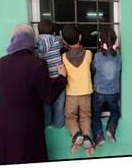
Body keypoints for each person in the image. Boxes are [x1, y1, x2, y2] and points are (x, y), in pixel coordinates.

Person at [0, 23, 67, 165]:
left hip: (3, 124)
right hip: (27, 126)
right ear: (31, 41)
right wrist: (62, 78)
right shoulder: (37, 64)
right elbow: (49, 96)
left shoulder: (1, 63)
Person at [61, 25, 94, 156]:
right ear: (80, 37)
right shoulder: (88, 54)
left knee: (70, 118)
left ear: (64, 42)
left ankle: (76, 134)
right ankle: (86, 136)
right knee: (86, 117)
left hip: (71, 95)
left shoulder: (63, 57)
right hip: (86, 93)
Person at [91, 27, 122, 148]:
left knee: (96, 114)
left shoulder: (98, 56)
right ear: (115, 41)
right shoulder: (118, 57)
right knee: (115, 112)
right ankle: (111, 127)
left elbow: (93, 69)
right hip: (114, 93)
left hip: (99, 93)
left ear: (100, 41)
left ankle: (98, 136)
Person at [36, 20, 65, 128]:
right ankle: (59, 123)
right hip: (58, 76)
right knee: (59, 103)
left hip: (45, 78)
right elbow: (63, 42)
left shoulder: (37, 42)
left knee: (46, 102)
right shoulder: (55, 40)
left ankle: (47, 123)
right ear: (53, 31)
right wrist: (60, 34)